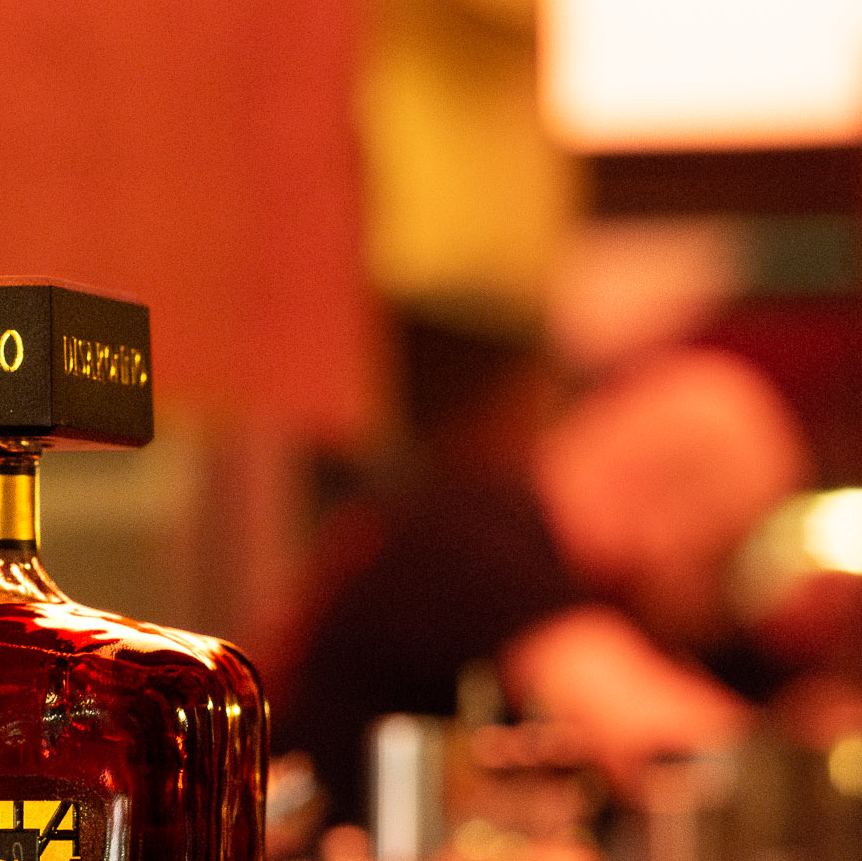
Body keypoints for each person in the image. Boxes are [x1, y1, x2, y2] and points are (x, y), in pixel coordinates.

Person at [270, 344, 811, 826]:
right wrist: (807, 762)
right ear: (672, 507)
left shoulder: (533, 546)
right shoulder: (479, 537)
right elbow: (643, 733)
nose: (713, 596)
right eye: (718, 558)